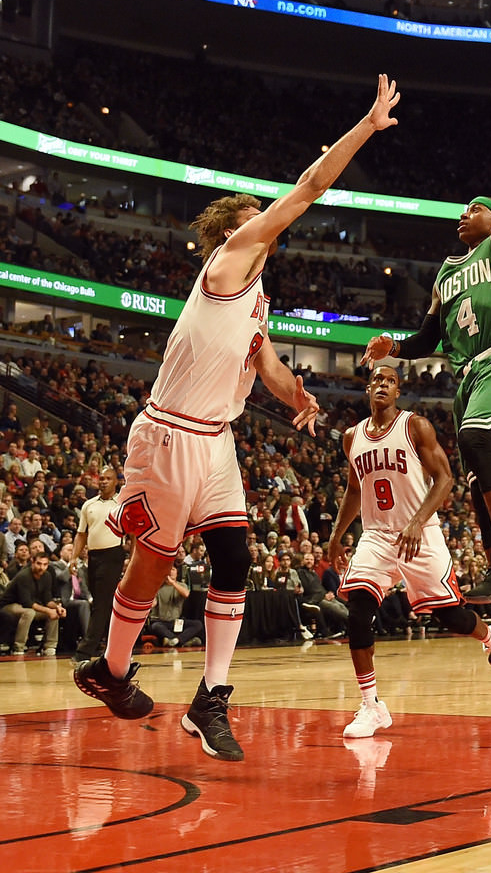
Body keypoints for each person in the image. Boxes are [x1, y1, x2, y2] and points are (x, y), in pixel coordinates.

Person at [73, 74, 400, 760]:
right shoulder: (227, 263)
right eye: (254, 216)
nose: (267, 223)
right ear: (231, 233)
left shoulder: (256, 298)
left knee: (234, 559)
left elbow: (268, 366)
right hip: (168, 435)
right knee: (153, 567)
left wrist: (298, 399)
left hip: (215, 441)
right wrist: (367, 127)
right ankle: (109, 670)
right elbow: (310, 187)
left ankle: (210, 700)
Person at [360, 68, 491, 663]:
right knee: (480, 488)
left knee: (478, 437)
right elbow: (431, 334)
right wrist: (396, 348)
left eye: (473, 208)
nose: (463, 214)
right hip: (471, 376)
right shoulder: (447, 275)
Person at [329, 365, 491, 739]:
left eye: (389, 381)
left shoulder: (415, 426)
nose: (381, 385)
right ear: (368, 389)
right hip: (377, 536)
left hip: (420, 533)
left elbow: (446, 478)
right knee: (358, 612)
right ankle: (372, 706)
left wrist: (418, 520)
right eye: (376, 381)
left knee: (451, 618)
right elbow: (355, 489)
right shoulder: (352, 437)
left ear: (398, 391)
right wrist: (338, 535)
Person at [69, 467, 124, 663]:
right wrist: (73, 558)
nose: (103, 482)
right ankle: (116, 649)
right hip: (93, 557)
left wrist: (132, 559)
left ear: (115, 482)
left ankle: (83, 652)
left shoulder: (122, 503)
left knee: (100, 605)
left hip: (114, 555)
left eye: (107, 478)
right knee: (103, 604)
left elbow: (133, 535)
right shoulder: (88, 505)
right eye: (100, 478)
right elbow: (81, 534)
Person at [0, 552, 66, 655]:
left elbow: (47, 600)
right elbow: (27, 603)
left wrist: (57, 607)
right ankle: (18, 647)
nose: (42, 567)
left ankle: (50, 646)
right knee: (29, 612)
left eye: (45, 564)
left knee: (54, 613)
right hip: (9, 605)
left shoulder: (47, 576)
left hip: (29, 605)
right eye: (39, 564)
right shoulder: (24, 576)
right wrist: (48, 611)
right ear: (32, 562)